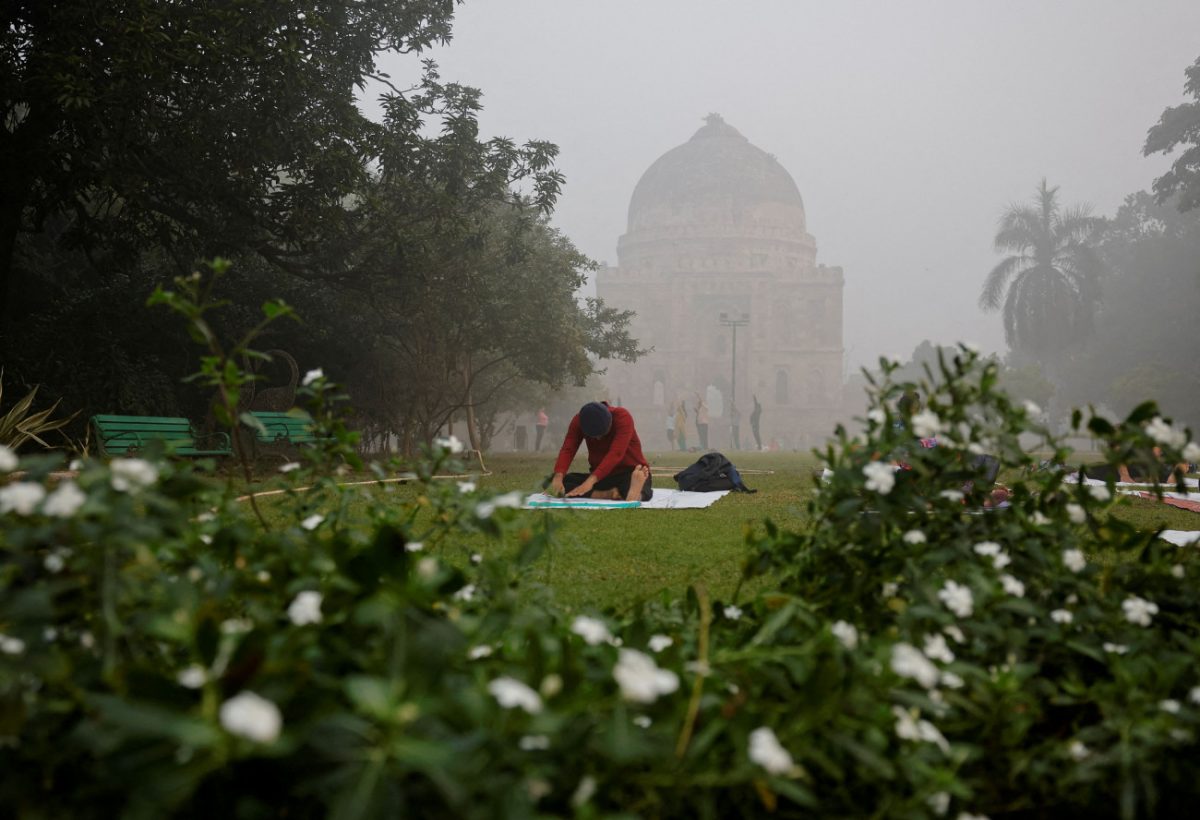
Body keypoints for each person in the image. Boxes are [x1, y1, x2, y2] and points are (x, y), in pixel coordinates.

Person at [548, 401, 652, 502]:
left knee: (638, 486)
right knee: (552, 481)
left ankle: (635, 494)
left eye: (603, 434)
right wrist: (558, 476)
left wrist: (590, 481)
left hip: (629, 473)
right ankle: (606, 494)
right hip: (602, 477)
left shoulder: (623, 417)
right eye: (594, 436)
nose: (599, 439)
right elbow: (568, 449)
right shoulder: (579, 421)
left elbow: (616, 453)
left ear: (610, 421)